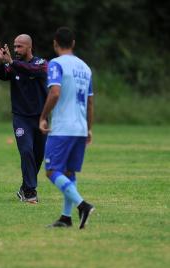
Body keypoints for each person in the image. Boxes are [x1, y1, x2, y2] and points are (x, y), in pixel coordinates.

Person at [39, 27, 95, 229]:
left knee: (52, 170)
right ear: (73, 43)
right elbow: (90, 102)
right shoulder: (85, 68)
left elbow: (54, 93)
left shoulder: (56, 64)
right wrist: (89, 128)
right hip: (80, 127)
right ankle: (66, 217)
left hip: (63, 127)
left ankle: (82, 205)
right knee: (69, 173)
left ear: (55, 43)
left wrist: (43, 116)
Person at [0, 34, 48, 203]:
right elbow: (1, 75)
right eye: (14, 46)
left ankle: (24, 189)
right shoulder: (13, 65)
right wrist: (1, 62)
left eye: (19, 47)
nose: (16, 50)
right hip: (21, 118)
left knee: (38, 156)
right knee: (26, 151)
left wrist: (11, 62)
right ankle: (30, 192)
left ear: (29, 47)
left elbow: (30, 70)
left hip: (41, 118)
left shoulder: (41, 64)